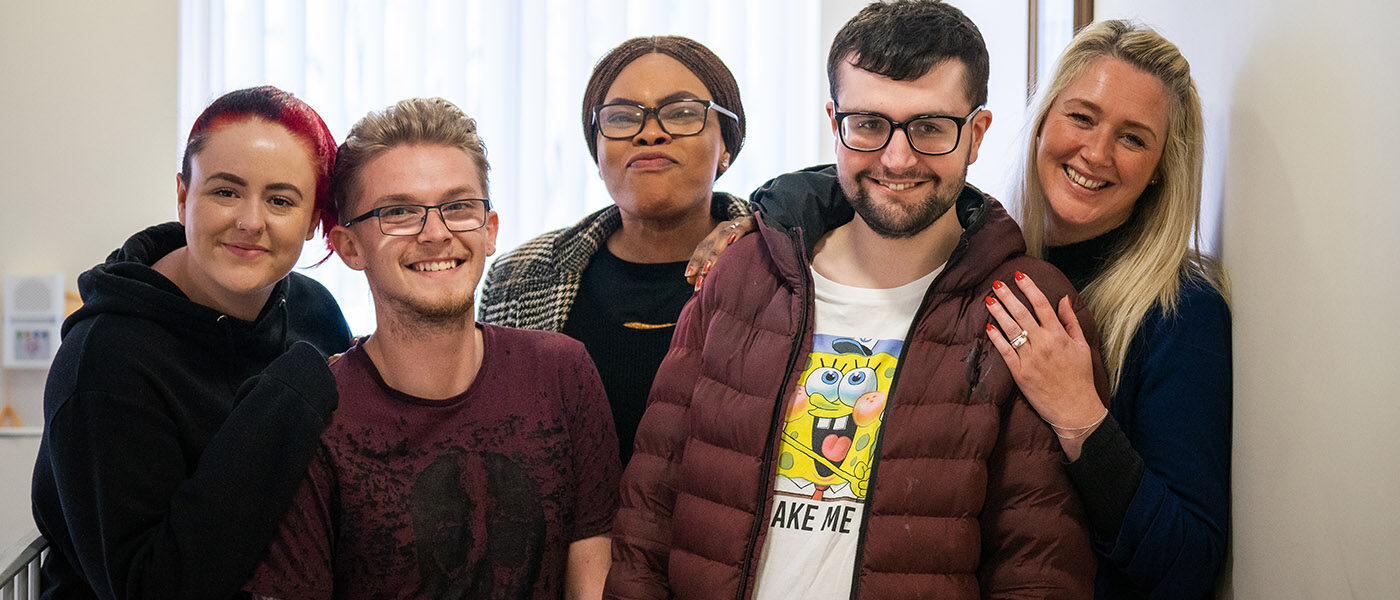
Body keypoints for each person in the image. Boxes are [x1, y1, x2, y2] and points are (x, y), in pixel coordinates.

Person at [605, 2, 1101, 599]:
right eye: (868, 124)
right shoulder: (740, 277)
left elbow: (1038, 568)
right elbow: (649, 519)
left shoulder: (1028, 307)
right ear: (833, 120)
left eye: (931, 127)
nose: (897, 158)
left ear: (976, 134)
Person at [244, 97, 621, 600]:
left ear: (488, 231)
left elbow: (592, 568)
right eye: (398, 212)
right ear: (349, 247)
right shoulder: (315, 415)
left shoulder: (561, 371)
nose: (436, 233)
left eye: (458, 207)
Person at [30, 86, 351, 599]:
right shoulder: (106, 362)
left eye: (281, 200)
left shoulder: (314, 310)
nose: (250, 221)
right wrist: (290, 394)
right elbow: (152, 588)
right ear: (183, 196)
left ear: (315, 220)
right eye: (225, 191)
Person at [983, 20, 1232, 599]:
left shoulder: (1182, 314)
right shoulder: (983, 263)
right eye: (1082, 117)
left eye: (1133, 138)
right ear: (1043, 119)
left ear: (1160, 168)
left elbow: (1189, 563)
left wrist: (1081, 416)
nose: (1095, 154)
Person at [479, 35, 749, 467]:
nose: (651, 133)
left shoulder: (782, 265)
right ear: (598, 149)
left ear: (727, 147)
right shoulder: (519, 276)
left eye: (681, 114)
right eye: (623, 118)